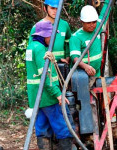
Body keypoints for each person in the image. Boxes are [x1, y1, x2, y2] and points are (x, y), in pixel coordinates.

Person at [25, 20, 74, 150]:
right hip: (48, 96)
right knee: (63, 126)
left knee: (42, 128)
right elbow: (45, 76)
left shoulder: (31, 47)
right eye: (51, 35)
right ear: (45, 35)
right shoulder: (41, 49)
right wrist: (58, 95)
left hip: (36, 97)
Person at [69, 3, 110, 77]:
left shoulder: (97, 28)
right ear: (82, 22)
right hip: (82, 75)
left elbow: (104, 15)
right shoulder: (76, 37)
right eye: (88, 23)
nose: (92, 25)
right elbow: (75, 58)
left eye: (94, 22)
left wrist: (108, 2)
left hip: (96, 73)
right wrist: (86, 67)